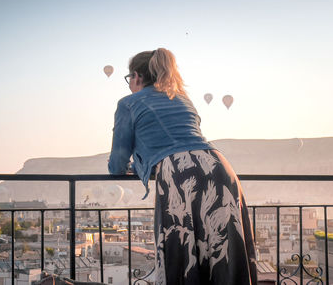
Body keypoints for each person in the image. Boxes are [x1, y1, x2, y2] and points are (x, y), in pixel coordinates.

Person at [108, 48, 257, 285]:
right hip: (218, 166)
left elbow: (116, 162)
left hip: (180, 173)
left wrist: (133, 166)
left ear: (136, 76)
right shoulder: (182, 99)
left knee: (183, 252)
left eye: (129, 79)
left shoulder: (128, 103)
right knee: (225, 249)